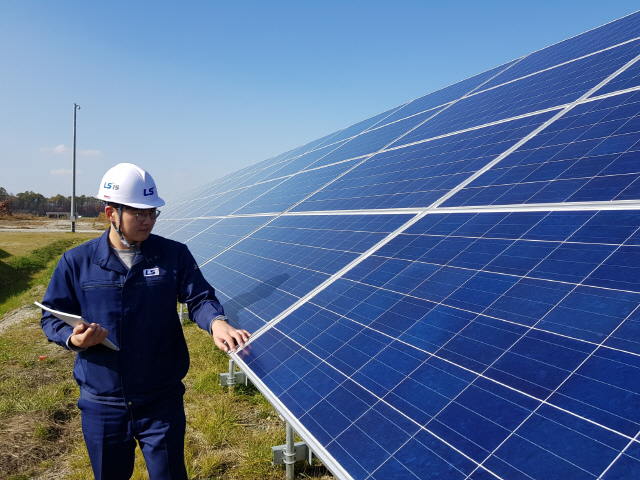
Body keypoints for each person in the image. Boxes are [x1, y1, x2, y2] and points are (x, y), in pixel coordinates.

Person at [39, 163, 250, 480]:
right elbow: (51, 316)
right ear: (111, 213)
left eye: (152, 212)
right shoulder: (76, 262)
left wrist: (217, 322)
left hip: (160, 401)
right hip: (102, 405)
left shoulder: (173, 255)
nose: (147, 220)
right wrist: (74, 339)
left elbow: (199, 298)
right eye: (138, 213)